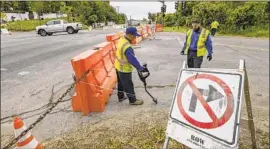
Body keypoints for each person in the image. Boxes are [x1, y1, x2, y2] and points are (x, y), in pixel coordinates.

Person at [114, 27, 146, 105]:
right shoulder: (127, 47)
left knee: (121, 82)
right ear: (128, 35)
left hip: (118, 66)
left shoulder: (122, 39)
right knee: (128, 84)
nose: (135, 37)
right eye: (134, 35)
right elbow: (132, 59)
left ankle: (121, 96)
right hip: (124, 69)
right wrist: (140, 68)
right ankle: (133, 100)